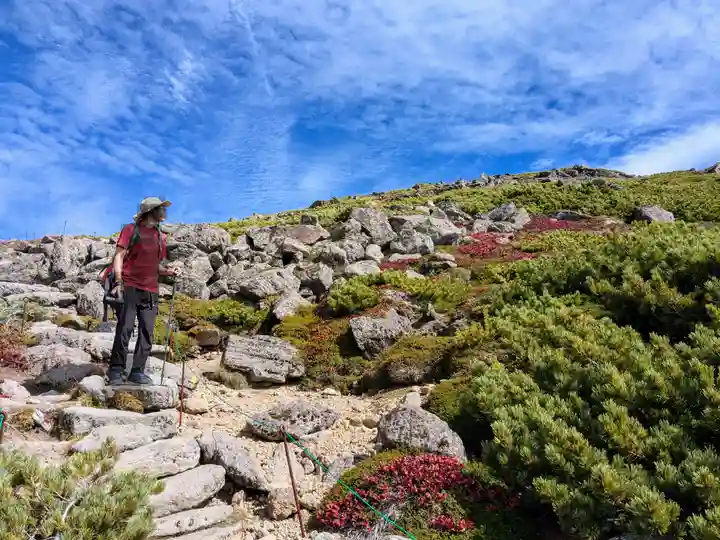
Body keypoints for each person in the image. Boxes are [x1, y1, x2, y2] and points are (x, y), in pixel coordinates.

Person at [106, 197, 180, 385]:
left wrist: (169, 271)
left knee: (147, 332)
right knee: (125, 329)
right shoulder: (131, 230)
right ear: (151, 211)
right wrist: (118, 282)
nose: (165, 212)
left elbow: (156, 266)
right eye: (161, 209)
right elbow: (119, 256)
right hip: (130, 286)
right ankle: (116, 371)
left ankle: (137, 371)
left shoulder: (161, 237)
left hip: (151, 290)